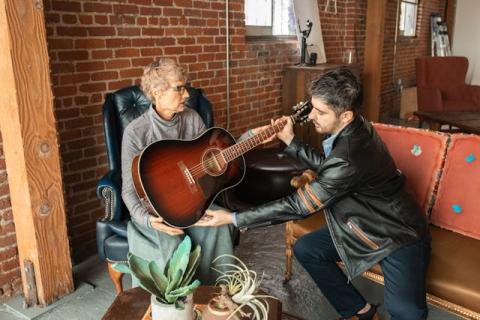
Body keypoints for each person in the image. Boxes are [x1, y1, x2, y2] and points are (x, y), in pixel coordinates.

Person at [195, 68, 431, 320]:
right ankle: (360, 311)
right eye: (313, 107)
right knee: (308, 249)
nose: (311, 116)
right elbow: (331, 168)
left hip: (396, 233)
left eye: (321, 112)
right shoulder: (355, 128)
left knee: (405, 312)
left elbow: (298, 205)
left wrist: (233, 218)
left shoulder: (350, 156)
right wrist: (291, 142)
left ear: (346, 115)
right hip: (360, 223)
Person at [121, 58, 234, 285]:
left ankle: (217, 298)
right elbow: (128, 190)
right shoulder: (136, 132)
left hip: (193, 204)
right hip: (156, 213)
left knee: (219, 228)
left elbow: (207, 165)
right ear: (157, 91)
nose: (187, 95)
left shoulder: (191, 118)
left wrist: (216, 167)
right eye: (179, 88)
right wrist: (148, 220)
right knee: (172, 247)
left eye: (186, 87)